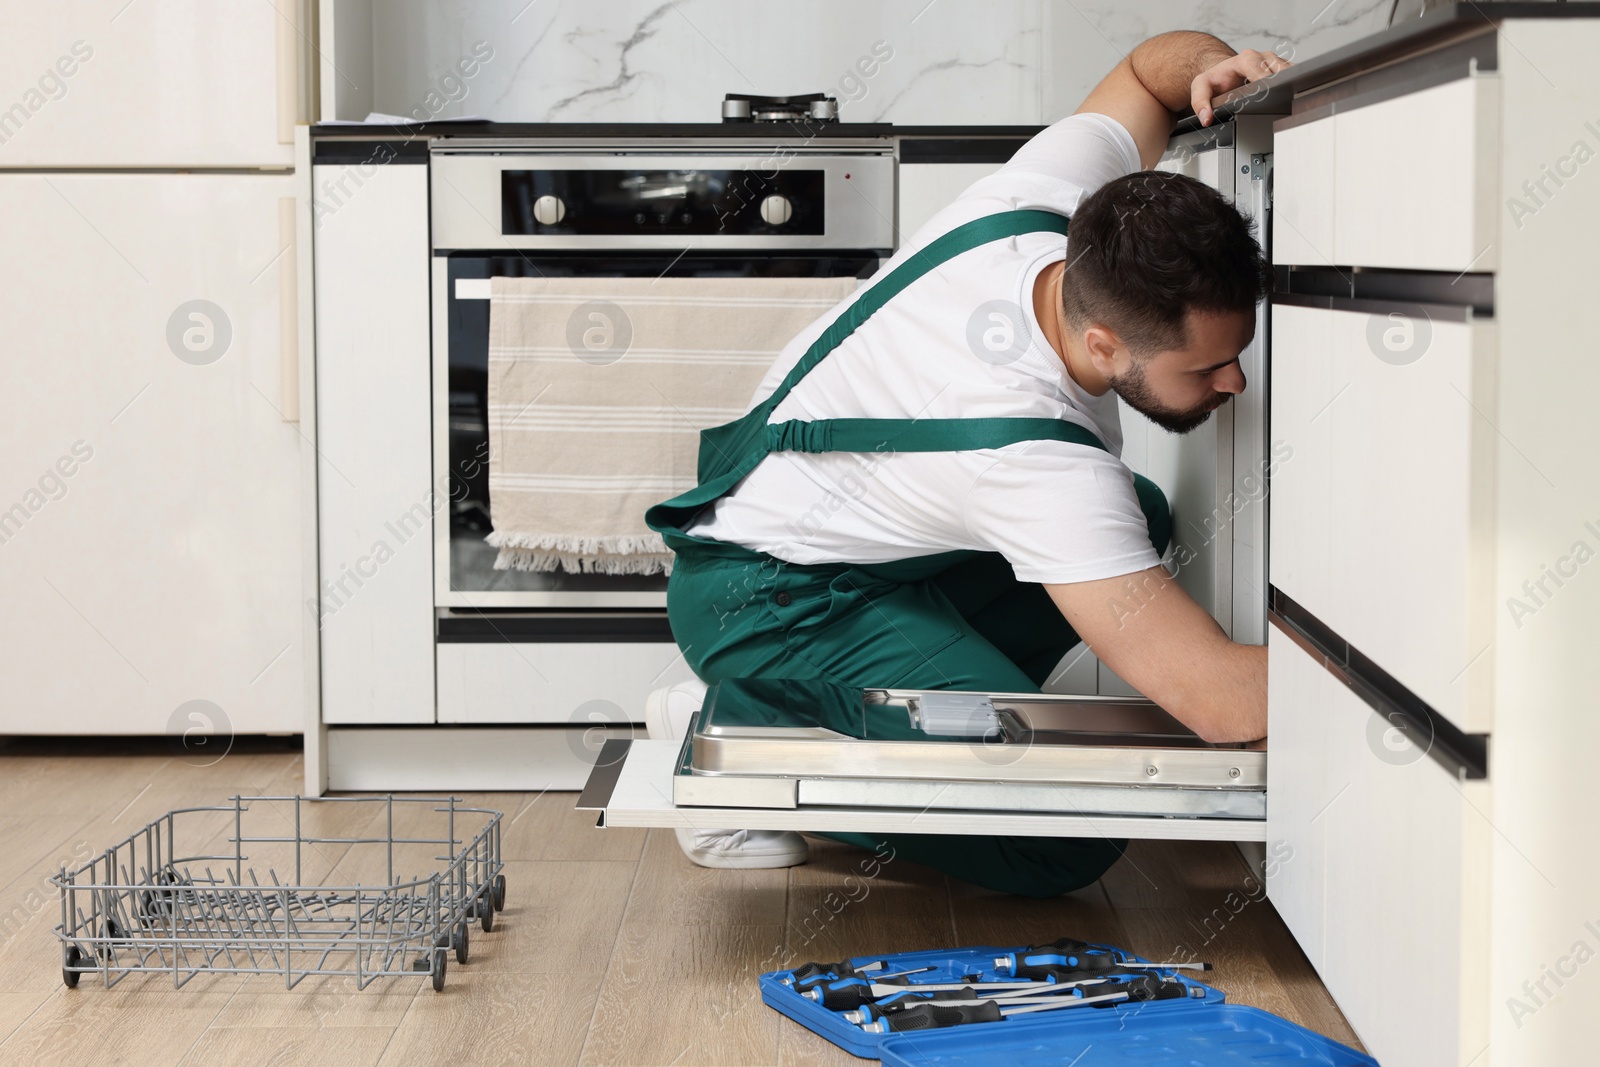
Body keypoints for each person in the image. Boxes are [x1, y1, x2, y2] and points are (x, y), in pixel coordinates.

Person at [643, 31, 1287, 896]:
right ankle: (738, 736)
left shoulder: (1054, 199)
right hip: (759, 600)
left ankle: (917, 728)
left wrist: (1214, 64)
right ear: (1101, 342)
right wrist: (1427, 690)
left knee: (1144, 516)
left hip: (855, 558)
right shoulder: (1031, 458)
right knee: (1064, 843)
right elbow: (1220, 701)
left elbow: (1147, 69)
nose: (1236, 380)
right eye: (1205, 367)